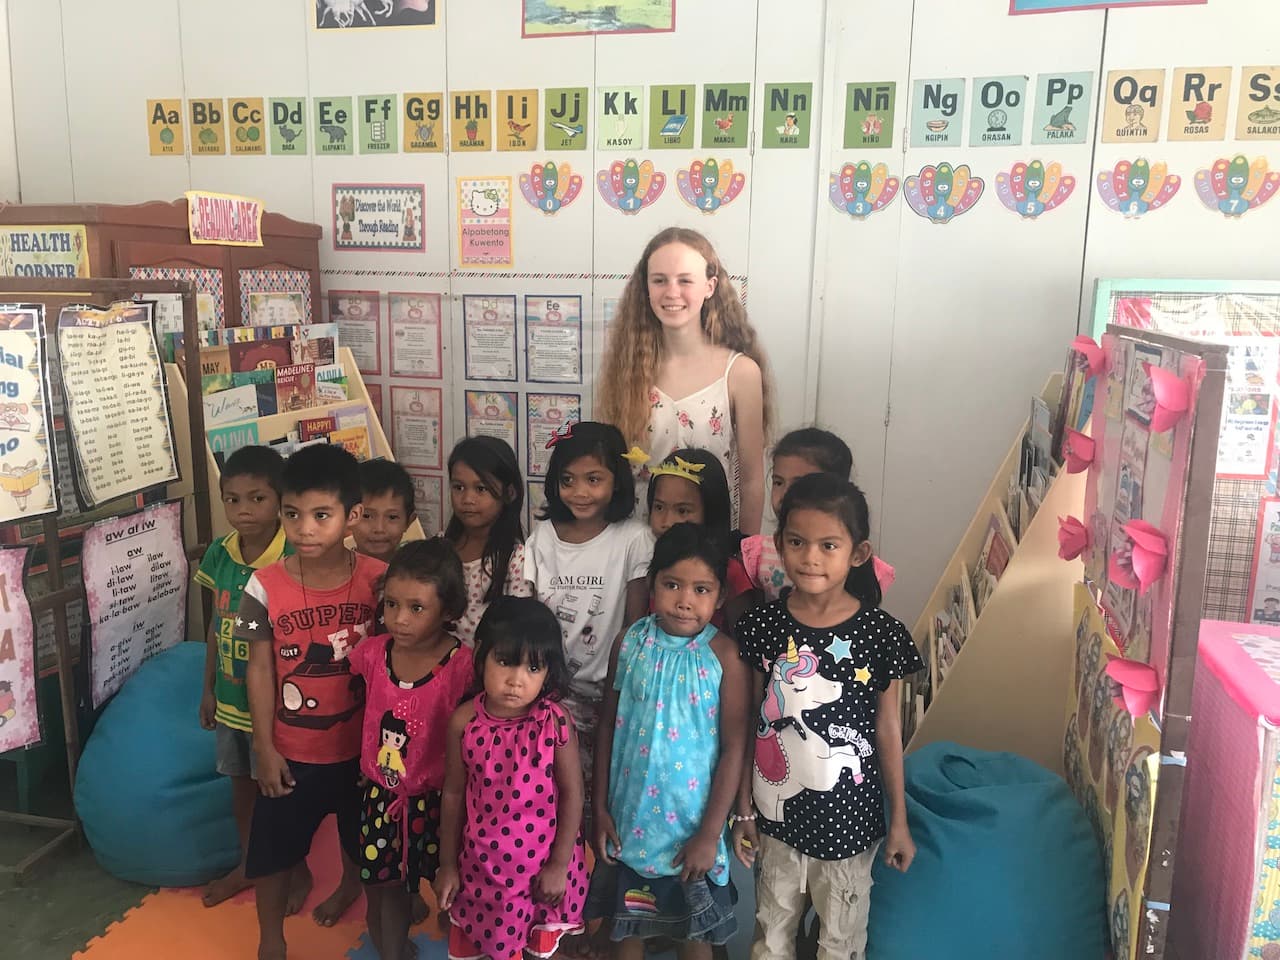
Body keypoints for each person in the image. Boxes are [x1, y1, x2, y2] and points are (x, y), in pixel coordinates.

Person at [732, 474, 923, 960]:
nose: (810, 557)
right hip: (776, 823)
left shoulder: (882, 635)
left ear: (857, 554)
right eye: (797, 542)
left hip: (850, 827)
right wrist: (744, 810)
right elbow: (747, 721)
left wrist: (897, 821)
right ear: (779, 545)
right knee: (771, 940)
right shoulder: (763, 626)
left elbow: (888, 729)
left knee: (840, 945)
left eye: (828, 545)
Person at [238, 443, 387, 960]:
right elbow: (257, 668)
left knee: (362, 842)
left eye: (321, 515)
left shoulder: (380, 580)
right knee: (274, 855)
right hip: (292, 753)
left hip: (362, 754)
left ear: (352, 517)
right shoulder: (261, 586)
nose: (304, 528)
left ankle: (354, 888)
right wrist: (264, 746)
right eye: (292, 514)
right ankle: (270, 940)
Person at [587, 524, 749, 958]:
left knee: (693, 936)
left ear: (719, 596)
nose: (684, 600)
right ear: (653, 583)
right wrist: (599, 808)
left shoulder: (725, 658)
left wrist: (710, 832)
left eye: (701, 589)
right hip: (628, 827)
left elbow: (736, 747)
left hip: (691, 832)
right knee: (627, 930)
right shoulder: (630, 643)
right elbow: (606, 725)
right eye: (672, 584)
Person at [434, 597, 589, 960]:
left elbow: (572, 795)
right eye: (505, 661)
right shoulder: (464, 721)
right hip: (483, 868)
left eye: (533, 668)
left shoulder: (555, 721)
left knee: (539, 949)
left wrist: (559, 865)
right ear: (482, 655)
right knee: (491, 945)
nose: (516, 680)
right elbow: (454, 794)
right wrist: (447, 865)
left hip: (542, 868)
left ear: (548, 672)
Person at [597, 227, 771, 535]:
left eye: (685, 280)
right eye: (660, 280)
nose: (672, 292)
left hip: (708, 552)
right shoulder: (625, 371)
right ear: (646, 287)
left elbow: (752, 479)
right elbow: (607, 468)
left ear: (709, 286)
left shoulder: (741, 373)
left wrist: (744, 556)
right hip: (638, 545)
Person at [349, 539, 473, 960]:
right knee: (384, 888)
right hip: (380, 797)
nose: (399, 619)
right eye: (392, 605)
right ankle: (390, 949)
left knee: (440, 878)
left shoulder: (462, 665)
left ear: (449, 611)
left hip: (441, 801)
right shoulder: (372, 653)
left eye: (417, 608)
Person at [523, 421, 653, 815]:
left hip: (610, 694)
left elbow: (634, 625)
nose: (580, 492)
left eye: (593, 479)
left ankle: (592, 871)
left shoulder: (634, 538)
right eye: (568, 480)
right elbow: (528, 613)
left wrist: (618, 687)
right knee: (555, 797)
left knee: (605, 798)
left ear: (617, 481)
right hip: (548, 693)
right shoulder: (543, 535)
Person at [195, 446, 293, 908]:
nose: (243, 510)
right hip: (231, 698)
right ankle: (249, 865)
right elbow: (216, 623)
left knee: (282, 795)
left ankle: (295, 869)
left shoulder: (291, 555)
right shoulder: (220, 552)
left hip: (276, 704)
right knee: (241, 787)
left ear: (279, 501)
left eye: (257, 499)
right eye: (232, 500)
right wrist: (208, 689)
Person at [740, 428, 895, 605]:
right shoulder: (759, 553)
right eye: (778, 482)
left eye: (800, 484)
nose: (784, 494)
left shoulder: (857, 560)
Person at [645, 448, 752, 630]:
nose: (667, 522)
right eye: (659, 507)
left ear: (711, 511)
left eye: (682, 511)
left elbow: (743, 640)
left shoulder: (731, 572)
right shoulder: (651, 560)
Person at [443, 436, 532, 646]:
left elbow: (517, 630)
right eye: (458, 487)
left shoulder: (516, 559)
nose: (467, 499)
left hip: (487, 670)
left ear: (509, 493)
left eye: (481, 488)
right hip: (439, 669)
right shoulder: (440, 547)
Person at [353, 458, 417, 563]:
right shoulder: (334, 574)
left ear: (409, 521)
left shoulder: (417, 574)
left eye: (392, 517)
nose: (379, 528)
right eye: (366, 516)